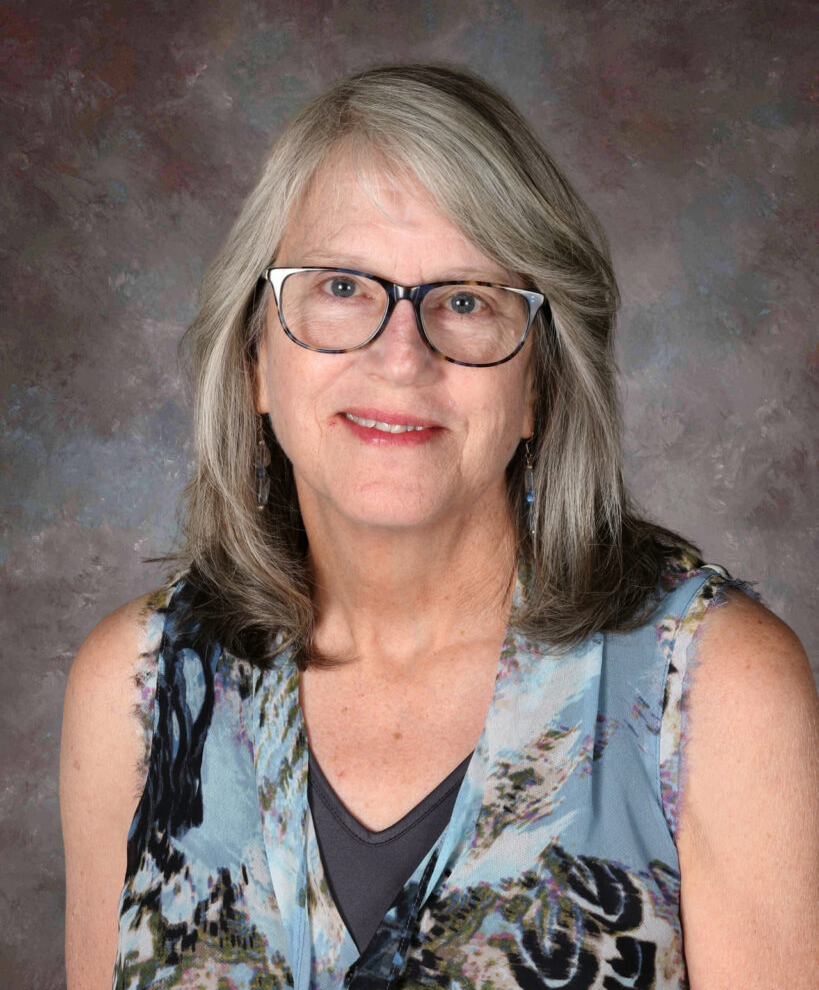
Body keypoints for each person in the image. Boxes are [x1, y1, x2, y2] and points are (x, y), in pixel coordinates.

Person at [60, 64, 819, 990]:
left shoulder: (709, 689)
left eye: (466, 300)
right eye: (341, 286)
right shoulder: (138, 691)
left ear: (537, 381)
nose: (399, 354)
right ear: (257, 354)